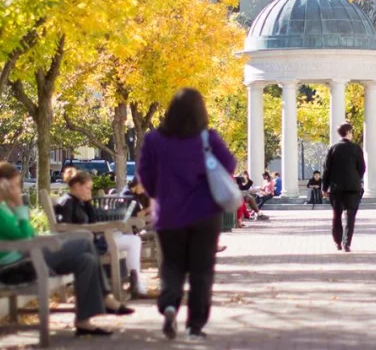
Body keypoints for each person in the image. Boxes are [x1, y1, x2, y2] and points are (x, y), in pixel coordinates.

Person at [138, 88, 236, 341]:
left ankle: (170, 305)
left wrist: (158, 192)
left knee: (172, 264)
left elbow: (145, 175)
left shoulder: (153, 140)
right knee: (202, 270)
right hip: (204, 214)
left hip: (169, 215)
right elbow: (229, 164)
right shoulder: (207, 139)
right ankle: (195, 325)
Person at [0, 162, 133, 336]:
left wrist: (16, 209)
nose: (18, 189)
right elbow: (26, 238)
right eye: (16, 184)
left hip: (28, 256)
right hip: (17, 266)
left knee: (87, 260)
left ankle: (84, 321)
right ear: (3, 183)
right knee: (84, 241)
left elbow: (29, 235)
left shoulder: (5, 207)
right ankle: (105, 296)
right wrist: (19, 207)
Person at [56, 171, 150, 299]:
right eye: (87, 188)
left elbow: (93, 221)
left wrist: (88, 204)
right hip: (85, 245)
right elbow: (63, 228)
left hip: (96, 240)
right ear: (77, 186)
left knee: (134, 240)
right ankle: (122, 289)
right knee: (125, 238)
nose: (89, 191)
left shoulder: (80, 202)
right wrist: (91, 230)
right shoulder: (66, 202)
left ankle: (136, 283)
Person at [322, 122, 365, 252]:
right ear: (348, 132)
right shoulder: (356, 148)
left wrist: (324, 187)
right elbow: (362, 168)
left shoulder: (333, 148)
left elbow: (327, 169)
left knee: (337, 214)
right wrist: (356, 178)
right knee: (350, 215)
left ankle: (337, 241)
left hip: (336, 187)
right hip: (353, 186)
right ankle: (347, 243)